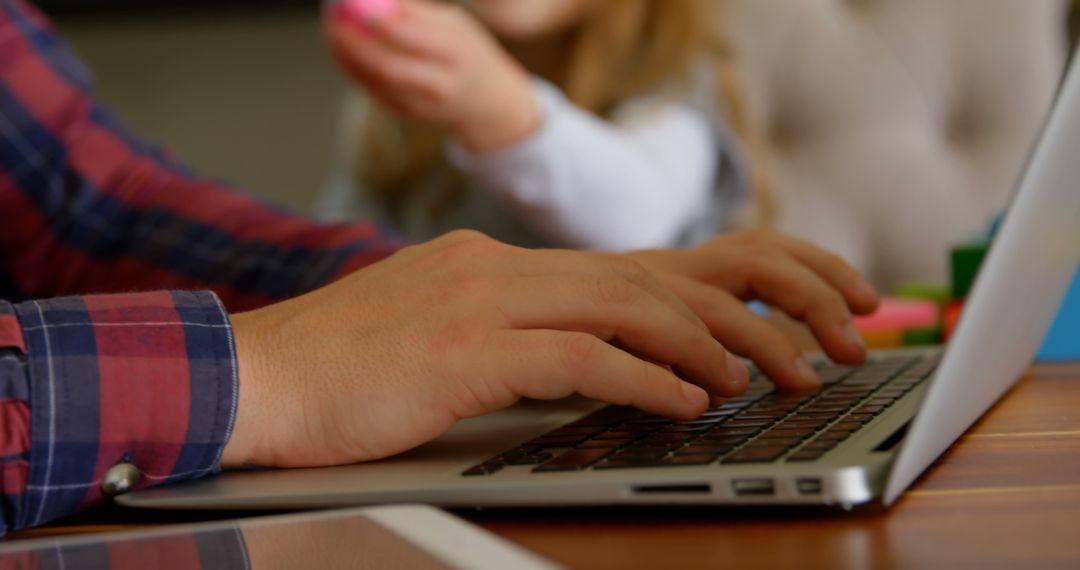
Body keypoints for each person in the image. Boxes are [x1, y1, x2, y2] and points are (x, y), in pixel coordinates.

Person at [0, 0, 876, 536]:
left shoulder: (671, 86)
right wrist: (264, 375)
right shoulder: (393, 121)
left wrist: (471, 304)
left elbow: (89, 203)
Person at [319, 0, 765, 250]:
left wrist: (499, 107)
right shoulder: (401, 101)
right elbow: (344, 238)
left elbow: (637, 220)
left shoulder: (671, 76)